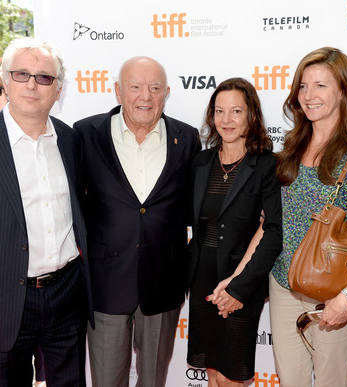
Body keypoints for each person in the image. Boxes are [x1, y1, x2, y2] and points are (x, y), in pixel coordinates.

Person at [269, 47, 347, 387]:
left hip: (333, 295)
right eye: (303, 86)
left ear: (343, 90)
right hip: (283, 287)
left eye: (321, 86)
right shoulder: (292, 148)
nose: (309, 96)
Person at [73, 56, 201, 386]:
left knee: (153, 380)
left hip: (163, 283)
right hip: (105, 283)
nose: (145, 96)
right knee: (106, 380)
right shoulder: (86, 133)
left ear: (167, 92)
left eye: (155, 88)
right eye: (135, 87)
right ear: (118, 91)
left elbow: (193, 209)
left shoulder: (186, 138)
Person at [0, 37, 92, 387]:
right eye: (21, 74)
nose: (32, 84)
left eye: (44, 77)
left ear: (58, 90)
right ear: (5, 81)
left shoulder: (70, 140)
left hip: (66, 292)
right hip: (8, 297)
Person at [187, 77, 282, 386]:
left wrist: (239, 288)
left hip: (242, 284)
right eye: (219, 111)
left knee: (231, 377)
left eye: (236, 111)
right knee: (212, 371)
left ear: (251, 116)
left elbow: (274, 231)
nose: (226, 120)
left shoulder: (267, 166)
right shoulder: (201, 162)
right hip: (203, 282)